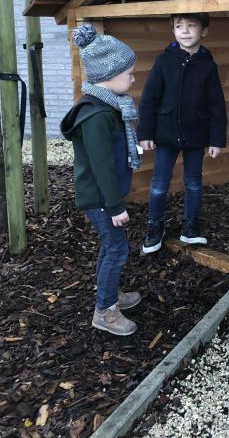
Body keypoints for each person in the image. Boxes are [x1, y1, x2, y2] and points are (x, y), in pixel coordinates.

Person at [60, 24, 142, 336]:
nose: (133, 79)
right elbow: (102, 166)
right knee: (117, 249)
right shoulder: (96, 115)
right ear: (109, 75)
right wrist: (115, 205)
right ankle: (105, 311)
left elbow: (116, 149)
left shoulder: (108, 106)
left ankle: (109, 294)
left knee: (111, 247)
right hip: (100, 198)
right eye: (130, 73)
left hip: (104, 196)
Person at [138, 13, 227, 252]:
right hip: (165, 136)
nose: (185, 31)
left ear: (204, 31)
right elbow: (149, 99)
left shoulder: (207, 65)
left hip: (196, 135)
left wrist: (216, 139)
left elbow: (216, 104)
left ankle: (190, 228)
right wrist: (145, 133)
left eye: (191, 25)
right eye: (179, 26)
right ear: (173, 31)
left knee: (194, 183)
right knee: (158, 185)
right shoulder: (164, 61)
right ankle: (154, 227)